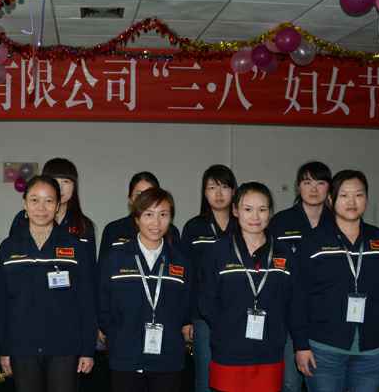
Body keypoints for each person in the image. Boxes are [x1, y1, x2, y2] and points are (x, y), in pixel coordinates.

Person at [292, 170, 379, 392]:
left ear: (367, 199)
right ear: (331, 199)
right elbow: (298, 298)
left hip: (373, 349)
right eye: (344, 195)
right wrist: (301, 345)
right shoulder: (312, 242)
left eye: (359, 195)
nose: (352, 202)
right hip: (323, 348)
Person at [0, 175, 96, 392]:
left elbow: (86, 301)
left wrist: (88, 349)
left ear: (58, 205)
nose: (41, 208)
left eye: (49, 201)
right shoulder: (8, 247)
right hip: (22, 346)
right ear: (24, 204)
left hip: (64, 346)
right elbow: (1, 303)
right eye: (34, 200)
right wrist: (4, 348)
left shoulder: (75, 247)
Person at [199, 182, 293, 392]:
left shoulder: (284, 252)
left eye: (262, 209)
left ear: (270, 213)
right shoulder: (217, 252)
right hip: (228, 351)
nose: (255, 217)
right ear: (235, 211)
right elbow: (206, 300)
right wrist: (226, 328)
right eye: (248, 209)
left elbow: (293, 300)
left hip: (270, 351)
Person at [98, 188, 191, 392]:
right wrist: (116, 335)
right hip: (125, 358)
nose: (156, 223)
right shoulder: (114, 259)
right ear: (137, 218)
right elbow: (103, 304)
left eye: (163, 215)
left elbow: (185, 307)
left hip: (168, 359)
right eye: (149, 214)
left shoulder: (180, 262)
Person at [269, 161, 333, 392]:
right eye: (307, 182)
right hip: (288, 314)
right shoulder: (281, 222)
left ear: (329, 188)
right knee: (290, 383)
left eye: (320, 183)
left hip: (328, 316)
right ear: (298, 187)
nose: (314, 189)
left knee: (326, 384)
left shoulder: (338, 221)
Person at [180, 164, 237, 392]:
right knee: (205, 378)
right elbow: (185, 277)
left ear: (234, 191)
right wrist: (186, 319)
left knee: (234, 375)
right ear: (204, 193)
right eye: (212, 187)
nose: (219, 193)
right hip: (202, 316)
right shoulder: (194, 227)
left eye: (224, 187)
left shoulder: (244, 225)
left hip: (238, 314)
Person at [9, 158, 97, 262]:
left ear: (74, 186)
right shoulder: (22, 219)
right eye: (55, 181)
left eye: (66, 181)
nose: (60, 187)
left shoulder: (84, 224)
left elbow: (90, 266)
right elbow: (12, 256)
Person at [99, 172, 180, 259]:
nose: (144, 200)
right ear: (130, 199)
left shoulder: (171, 231)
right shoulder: (113, 229)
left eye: (149, 194)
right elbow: (104, 264)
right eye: (139, 194)